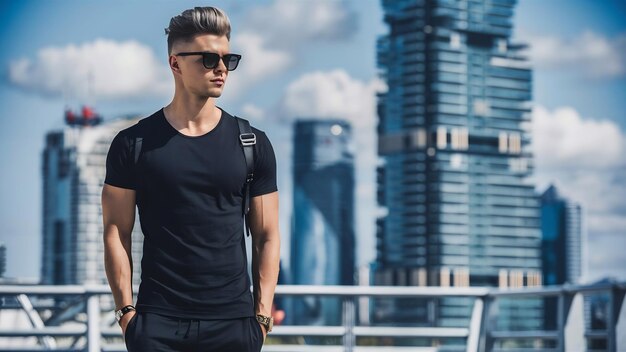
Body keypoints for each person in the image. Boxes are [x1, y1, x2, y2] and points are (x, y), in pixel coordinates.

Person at [102, 6, 280, 351]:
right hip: (157, 325)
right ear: (175, 63)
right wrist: (126, 313)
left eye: (229, 60)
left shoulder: (252, 143)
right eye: (209, 59)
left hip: (234, 325)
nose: (222, 70)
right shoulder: (133, 144)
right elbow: (115, 231)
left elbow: (267, 236)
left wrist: (262, 316)